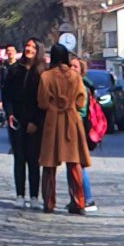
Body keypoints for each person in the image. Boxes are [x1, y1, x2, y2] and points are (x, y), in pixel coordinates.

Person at [38, 44, 90, 215]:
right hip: (71, 120)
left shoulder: (46, 76)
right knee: (74, 163)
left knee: (49, 164)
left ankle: (49, 203)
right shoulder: (75, 76)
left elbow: (42, 102)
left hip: (53, 121)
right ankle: (79, 202)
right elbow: (81, 100)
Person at [1, 38, 46, 210]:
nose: (29, 49)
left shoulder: (42, 71)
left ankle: (34, 195)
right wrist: (10, 113)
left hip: (35, 121)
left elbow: (43, 100)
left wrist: (36, 121)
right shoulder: (14, 70)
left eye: (32, 47)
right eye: (27, 46)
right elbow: (7, 94)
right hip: (17, 120)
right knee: (19, 158)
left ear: (38, 50)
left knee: (33, 160)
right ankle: (20, 194)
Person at [70, 55, 97, 211]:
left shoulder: (82, 86)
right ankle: (76, 198)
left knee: (79, 164)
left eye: (75, 66)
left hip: (80, 129)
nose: (72, 69)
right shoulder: (76, 84)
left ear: (81, 70)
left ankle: (87, 198)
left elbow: (81, 111)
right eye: (71, 66)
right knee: (74, 164)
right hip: (76, 128)